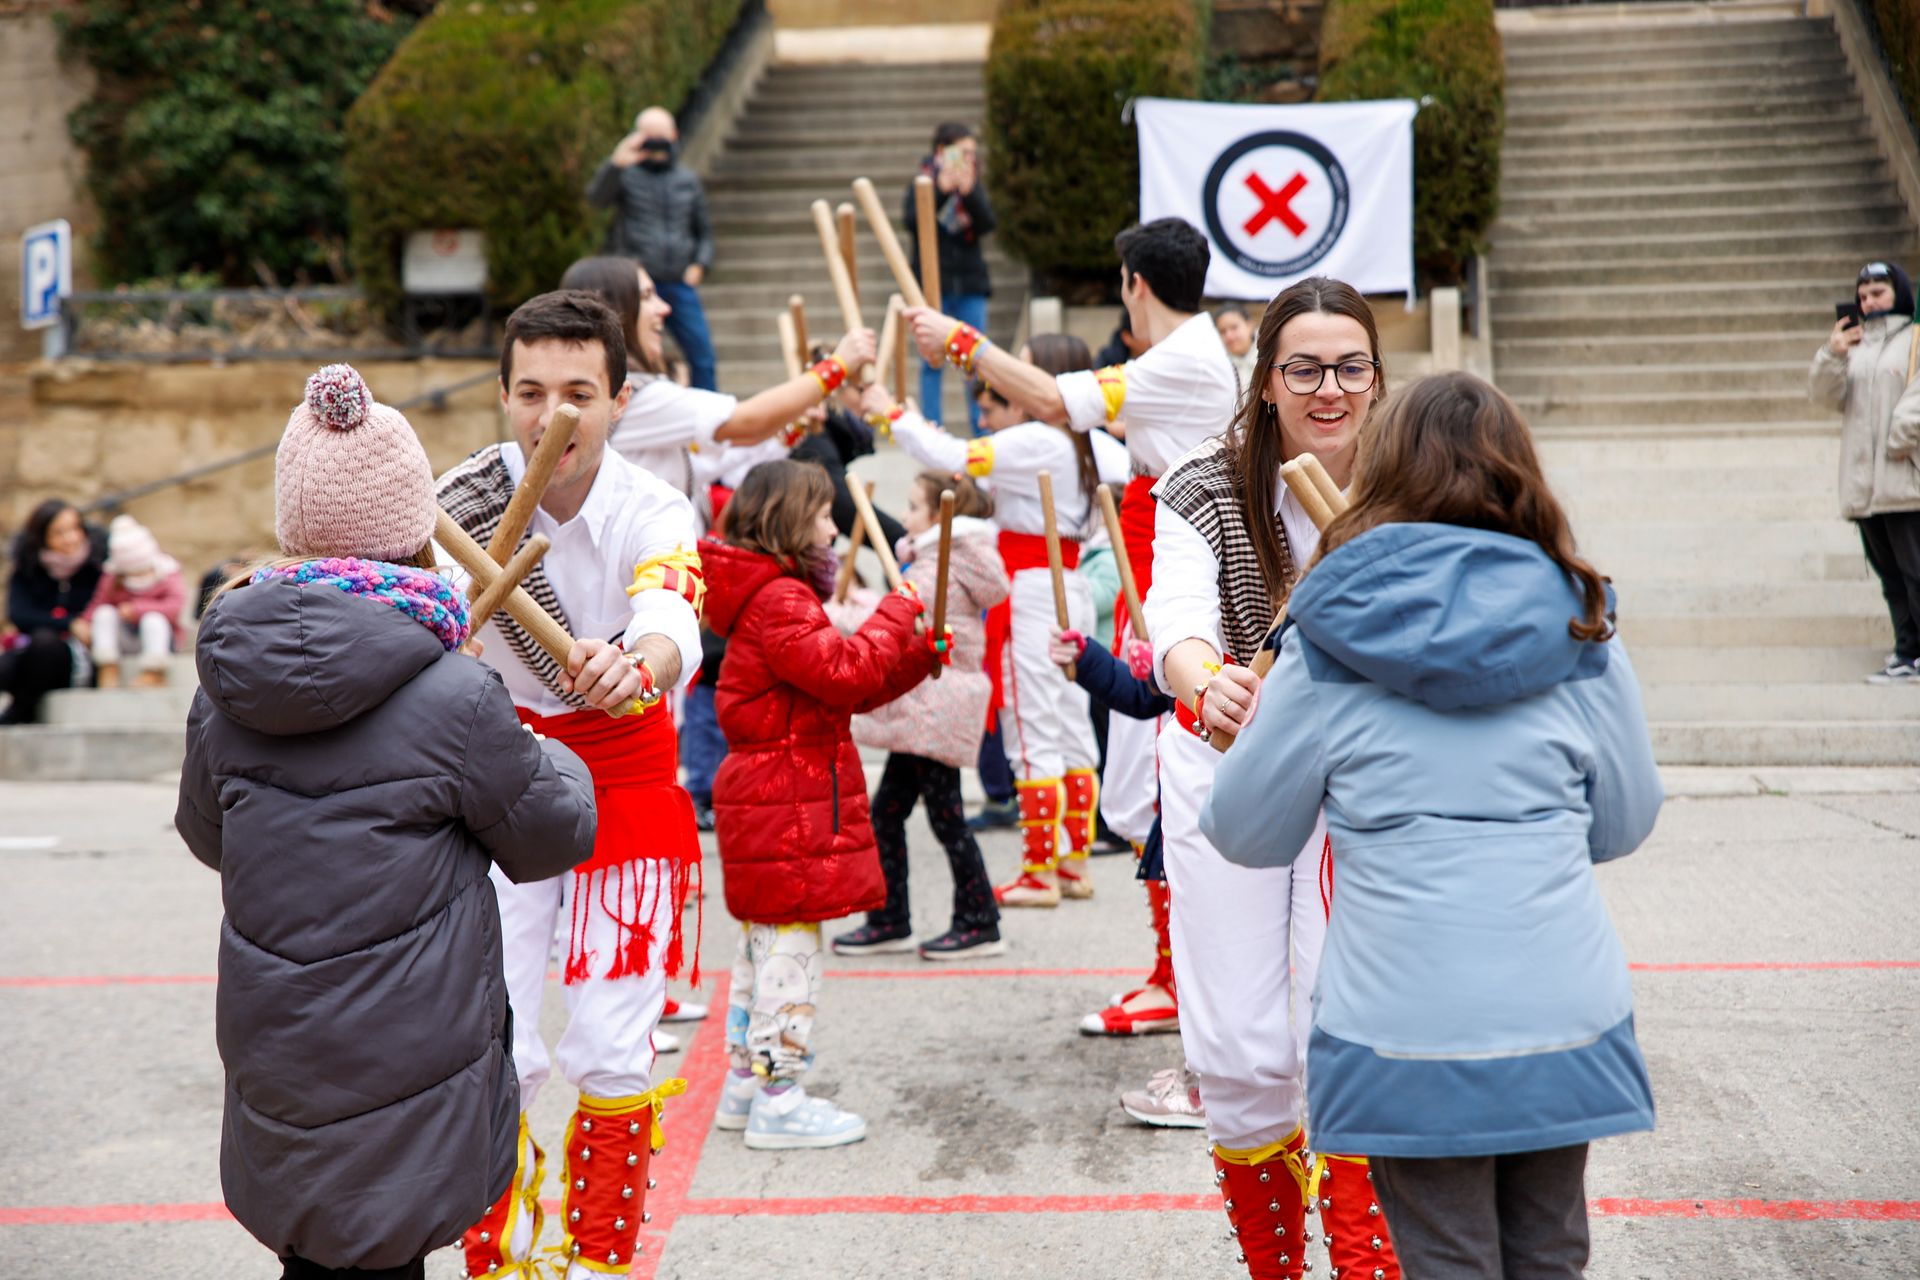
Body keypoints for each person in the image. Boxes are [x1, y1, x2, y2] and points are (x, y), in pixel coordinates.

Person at [1203, 371, 1662, 1280]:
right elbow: (1623, 821)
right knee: (1551, 1254)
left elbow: (1246, 829)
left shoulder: (1327, 633)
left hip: (1400, 1015)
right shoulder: (1583, 619)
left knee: (1446, 1260)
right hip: (1560, 999)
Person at [175, 363, 598, 1280]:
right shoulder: (455, 694)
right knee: (389, 1252)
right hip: (410, 1042)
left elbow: (209, 836)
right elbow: (552, 832)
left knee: (310, 1255)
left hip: (280, 1035)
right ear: (414, 530)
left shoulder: (227, 686)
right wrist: (543, 743)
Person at [905, 217, 1237, 1028]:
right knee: (1138, 777)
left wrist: (961, 344)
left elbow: (1056, 400)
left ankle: (1180, 984)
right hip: (1148, 567)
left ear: (1135, 284)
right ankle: (1173, 975)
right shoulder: (1181, 359)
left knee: (1158, 779)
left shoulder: (1185, 358)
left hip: (1168, 575)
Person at [436, 291, 706, 1280]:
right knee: (491, 1036)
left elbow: (671, 610)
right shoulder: (456, 503)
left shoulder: (653, 505)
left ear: (620, 401)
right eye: (532, 392)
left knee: (611, 1039)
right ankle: (495, 1257)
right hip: (499, 776)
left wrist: (639, 663)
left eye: (580, 394)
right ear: (504, 396)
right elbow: (417, 618)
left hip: (623, 774)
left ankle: (598, 1260)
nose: (555, 415)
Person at [1149, 277, 1402, 1280]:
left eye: (1349, 367)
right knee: (1240, 1047)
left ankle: (1367, 1263)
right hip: (1230, 756)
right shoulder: (1203, 480)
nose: (1328, 389)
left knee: (1348, 1026)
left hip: (1360, 766)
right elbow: (1175, 620)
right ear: (1265, 382)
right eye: (1303, 369)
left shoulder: (1413, 475)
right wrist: (1205, 680)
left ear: (1376, 378)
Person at [698, 458, 935, 1147]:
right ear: (789, 520)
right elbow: (844, 672)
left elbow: (837, 693)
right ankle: (779, 1096)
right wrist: (898, 609)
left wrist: (917, 655)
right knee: (789, 956)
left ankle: (746, 1084)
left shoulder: (772, 595)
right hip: (787, 803)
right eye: (824, 515)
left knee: (765, 949)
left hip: (777, 797)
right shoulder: (781, 599)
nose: (833, 530)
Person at [866, 334, 1127, 906]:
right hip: (1069, 583)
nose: (1012, 376)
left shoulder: (1039, 437)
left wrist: (890, 414)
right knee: (1070, 722)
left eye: (1023, 367)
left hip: (1033, 588)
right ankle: (1071, 862)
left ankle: (1040, 870)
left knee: (1033, 724)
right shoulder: (1095, 443)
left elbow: (957, 459)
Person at [835, 471, 1010, 958]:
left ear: (938, 516)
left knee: (945, 818)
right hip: (929, 708)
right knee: (889, 813)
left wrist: (834, 614)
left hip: (937, 704)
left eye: (913, 507)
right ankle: (892, 918)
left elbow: (891, 621)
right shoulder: (939, 559)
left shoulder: (940, 564)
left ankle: (978, 921)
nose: (905, 515)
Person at [1809, 259, 1920, 684]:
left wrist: (1900, 436)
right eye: (1863, 296)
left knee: (1916, 572)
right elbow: (1825, 396)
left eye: (1878, 293)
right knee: (1891, 576)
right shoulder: (1854, 348)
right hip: (1865, 486)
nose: (1869, 301)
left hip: (1905, 480)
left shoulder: (1914, 340)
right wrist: (1832, 355)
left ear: (1898, 293)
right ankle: (1907, 651)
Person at [587, 107, 718, 390]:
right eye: (650, 135)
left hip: (679, 282)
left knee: (702, 354)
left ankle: (709, 412)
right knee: (623, 351)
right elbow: (596, 199)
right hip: (636, 284)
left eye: (662, 135)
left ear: (674, 135)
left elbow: (704, 232)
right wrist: (616, 163)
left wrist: (700, 264)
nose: (657, 142)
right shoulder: (626, 175)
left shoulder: (687, 180)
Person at [904, 122, 996, 432]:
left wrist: (969, 193)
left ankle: (982, 426)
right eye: (963, 152)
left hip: (970, 284)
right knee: (932, 361)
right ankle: (933, 429)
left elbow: (987, 224)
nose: (969, 158)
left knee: (975, 358)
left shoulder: (972, 183)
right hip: (935, 286)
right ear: (942, 152)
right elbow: (912, 221)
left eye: (972, 153)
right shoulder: (924, 181)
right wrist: (941, 190)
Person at [1, 499, 104, 723]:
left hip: (78, 658)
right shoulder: (28, 569)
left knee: (44, 645)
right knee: (17, 659)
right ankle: (21, 709)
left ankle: (20, 710)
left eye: (75, 528)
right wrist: (70, 624)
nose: (71, 538)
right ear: (43, 537)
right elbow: (19, 614)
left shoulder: (97, 568)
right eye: (59, 533)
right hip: (32, 652)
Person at [83, 514, 186, 688]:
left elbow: (175, 606)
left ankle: (154, 671)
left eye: (141, 571)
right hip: (124, 637)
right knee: (104, 613)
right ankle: (107, 666)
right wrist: (85, 622)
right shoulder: (111, 578)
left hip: (160, 639)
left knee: (153, 619)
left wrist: (137, 610)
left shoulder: (167, 573)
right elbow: (98, 601)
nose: (137, 577)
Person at [1216, 304, 1259, 387]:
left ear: (1249, 325)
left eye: (1234, 327)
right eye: (1222, 331)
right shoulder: (1219, 365)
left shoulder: (1269, 354)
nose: (1229, 336)